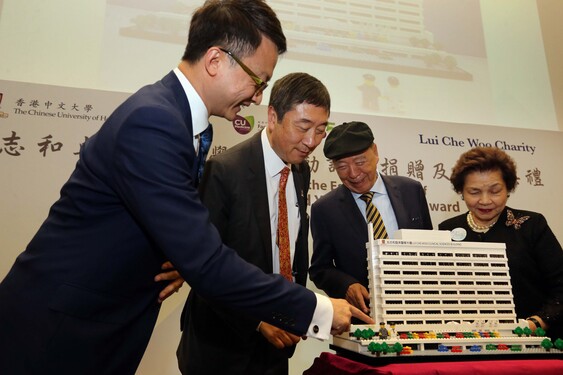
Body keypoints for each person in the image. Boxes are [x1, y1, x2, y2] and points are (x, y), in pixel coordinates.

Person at [0, 2, 370, 374]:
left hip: (92, 324)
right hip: (58, 332)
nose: (258, 97)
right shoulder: (154, 121)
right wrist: (318, 309)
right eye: (257, 81)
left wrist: (177, 253)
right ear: (215, 61)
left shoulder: (181, 122)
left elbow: (171, 229)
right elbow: (207, 260)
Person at [177, 72, 330, 375]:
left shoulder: (300, 172)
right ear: (273, 116)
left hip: (276, 348)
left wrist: (292, 311)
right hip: (221, 347)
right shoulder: (223, 171)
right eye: (303, 127)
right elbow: (204, 267)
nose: (312, 141)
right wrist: (258, 320)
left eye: (321, 130)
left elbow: (292, 246)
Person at [438, 146, 563, 340]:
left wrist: (537, 323)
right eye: (474, 192)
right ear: (461, 191)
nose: (485, 200)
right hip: (465, 342)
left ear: (508, 188)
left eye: (495, 191)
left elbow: (561, 288)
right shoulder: (447, 229)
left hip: (533, 340)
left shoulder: (531, 225)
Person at [309, 121, 433, 315]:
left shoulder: (411, 191)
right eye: (342, 166)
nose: (354, 174)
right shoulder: (325, 209)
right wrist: (347, 285)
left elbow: (431, 250)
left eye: (360, 162)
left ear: (375, 152)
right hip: (364, 317)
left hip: (420, 310)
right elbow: (320, 269)